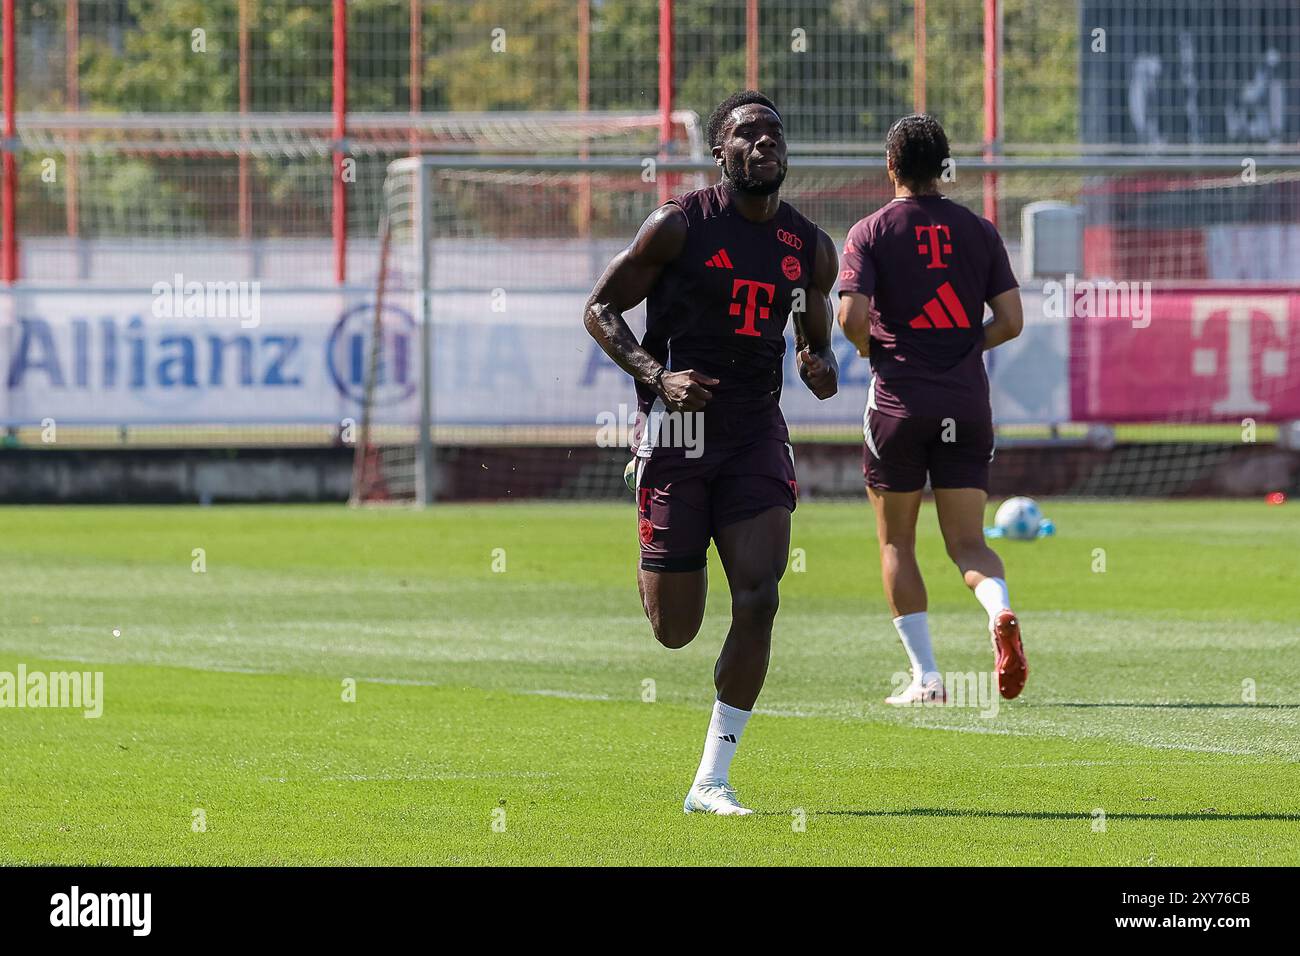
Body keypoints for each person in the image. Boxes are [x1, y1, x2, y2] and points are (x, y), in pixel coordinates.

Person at [583, 91, 839, 814]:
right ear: (719, 152)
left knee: (760, 597)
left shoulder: (810, 247)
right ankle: (654, 526)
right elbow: (599, 310)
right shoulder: (678, 226)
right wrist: (658, 377)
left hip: (756, 430)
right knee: (675, 629)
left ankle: (712, 780)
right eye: (748, 135)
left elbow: (817, 352)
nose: (765, 145)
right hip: (678, 430)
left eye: (774, 135)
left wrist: (822, 368)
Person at [837, 113, 1027, 705]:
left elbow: (849, 318)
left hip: (899, 405)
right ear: (944, 166)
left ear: (890, 166)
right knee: (969, 543)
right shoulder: (980, 231)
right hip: (966, 404)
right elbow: (1013, 322)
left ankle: (928, 678)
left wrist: (881, 351)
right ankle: (1000, 610)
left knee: (898, 543)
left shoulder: (870, 231)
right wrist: (966, 344)